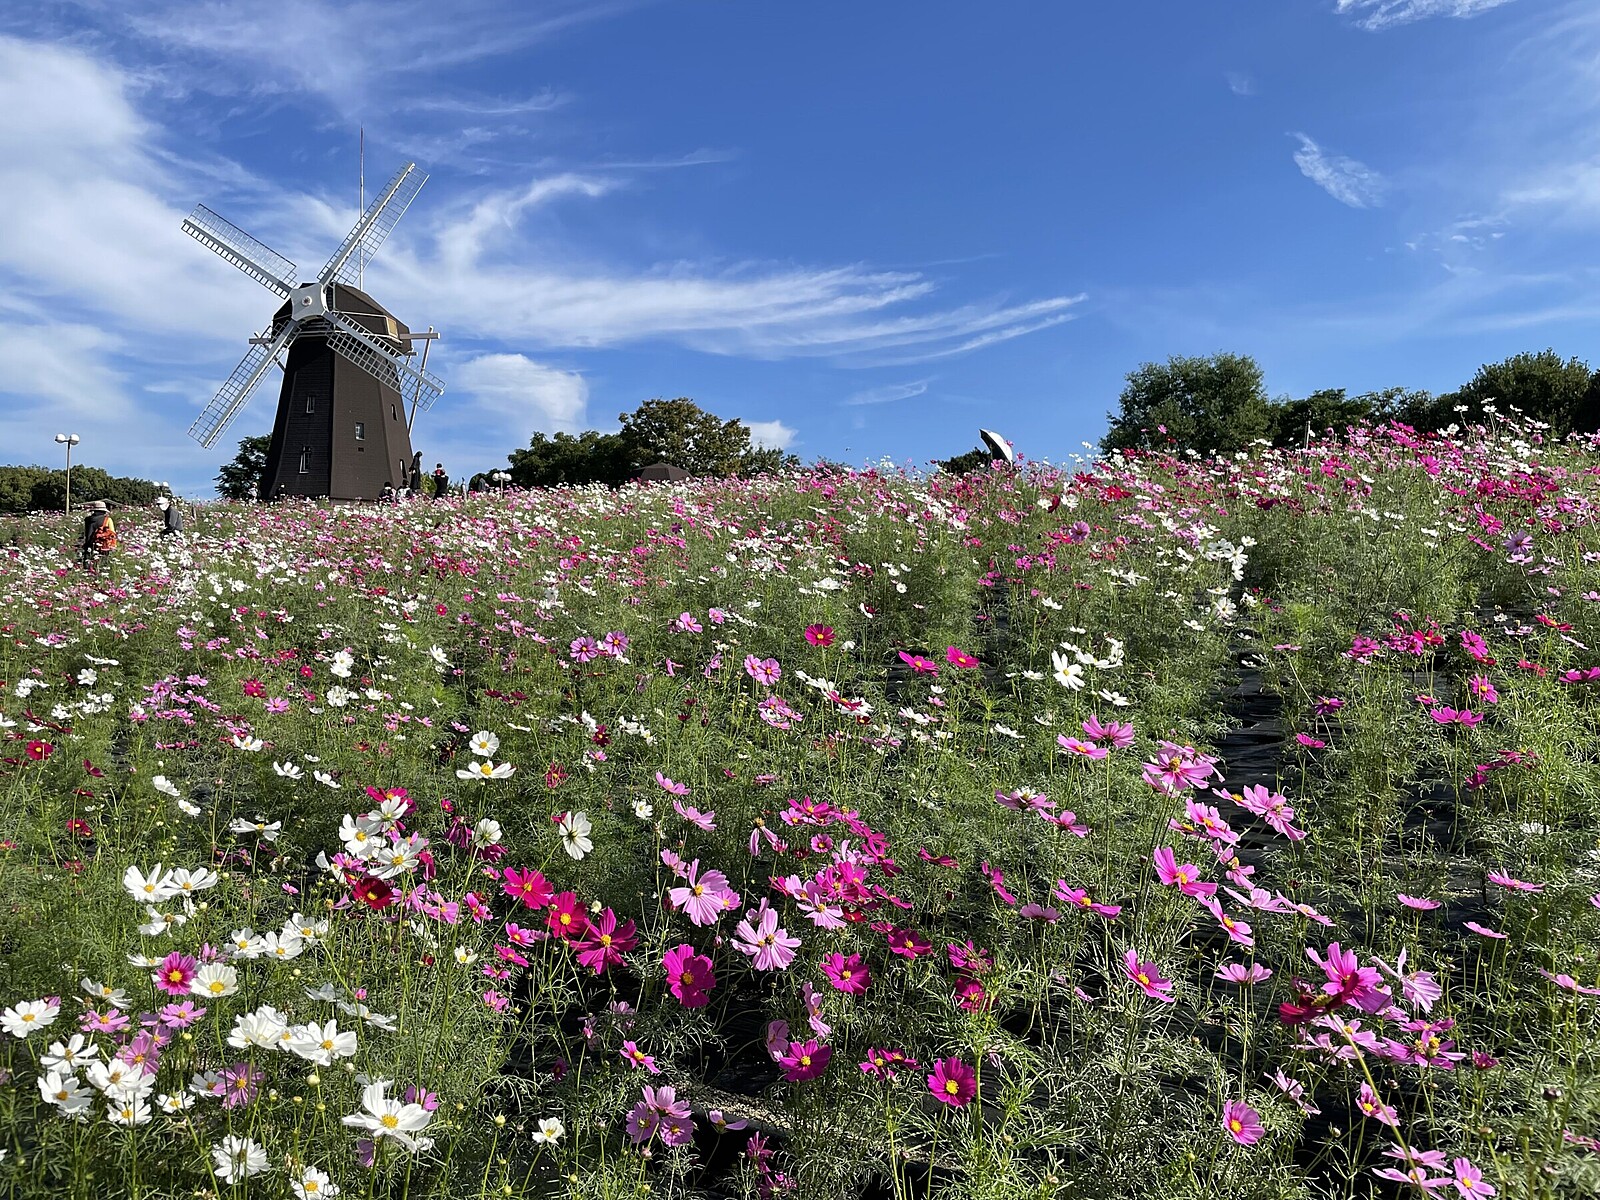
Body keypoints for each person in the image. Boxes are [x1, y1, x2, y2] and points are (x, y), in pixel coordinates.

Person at [79, 500, 116, 570]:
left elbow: (86, 533)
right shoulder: (107, 520)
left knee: (88, 566)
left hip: (89, 545)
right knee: (102, 566)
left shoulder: (87, 520)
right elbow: (112, 534)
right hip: (103, 546)